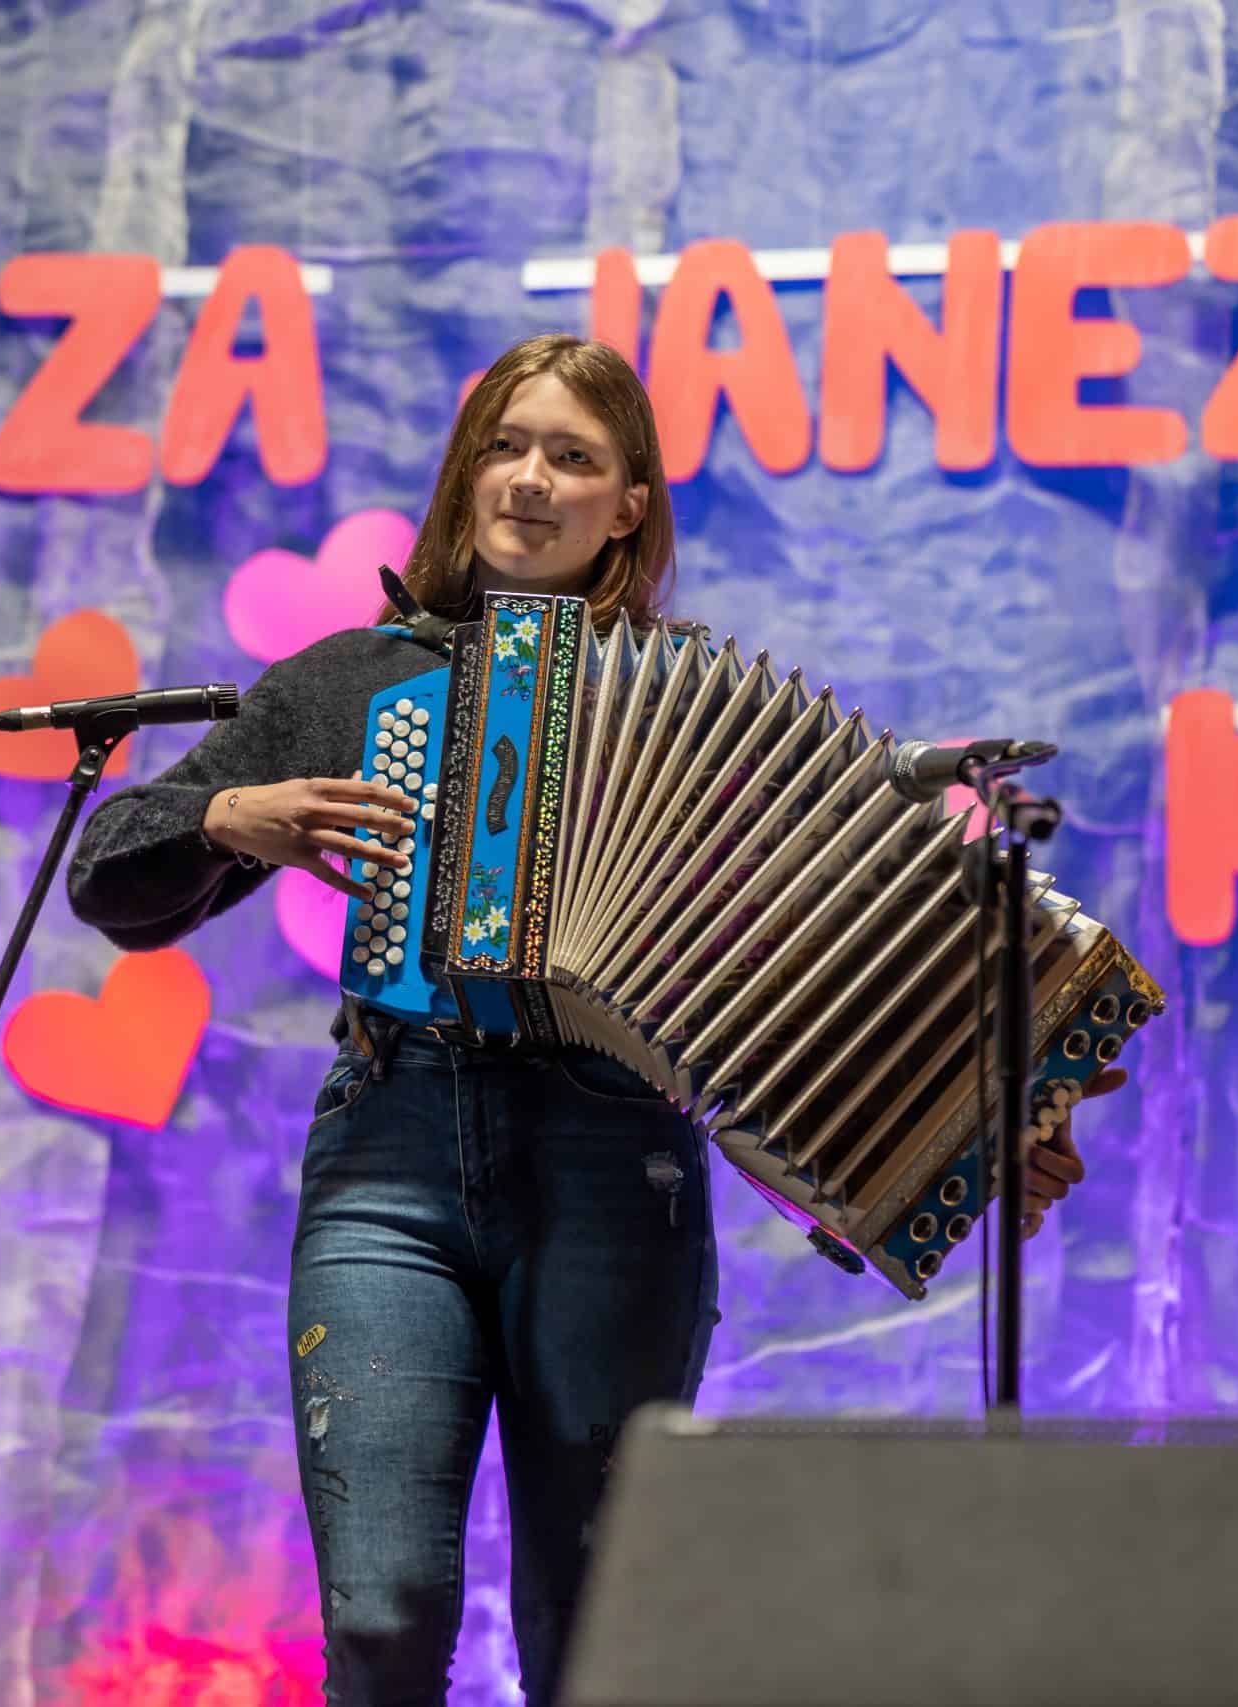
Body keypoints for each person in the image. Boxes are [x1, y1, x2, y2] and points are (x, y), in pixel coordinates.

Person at [65, 333, 1100, 1705]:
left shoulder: (705, 710)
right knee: (383, 1611)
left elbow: (833, 968)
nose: (529, 480)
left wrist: (978, 1122)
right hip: (389, 1159)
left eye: (572, 456)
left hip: (618, 1163)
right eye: (503, 447)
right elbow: (108, 878)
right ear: (462, 477)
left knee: (598, 1626)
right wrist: (225, 813)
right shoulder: (352, 678)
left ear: (629, 505)